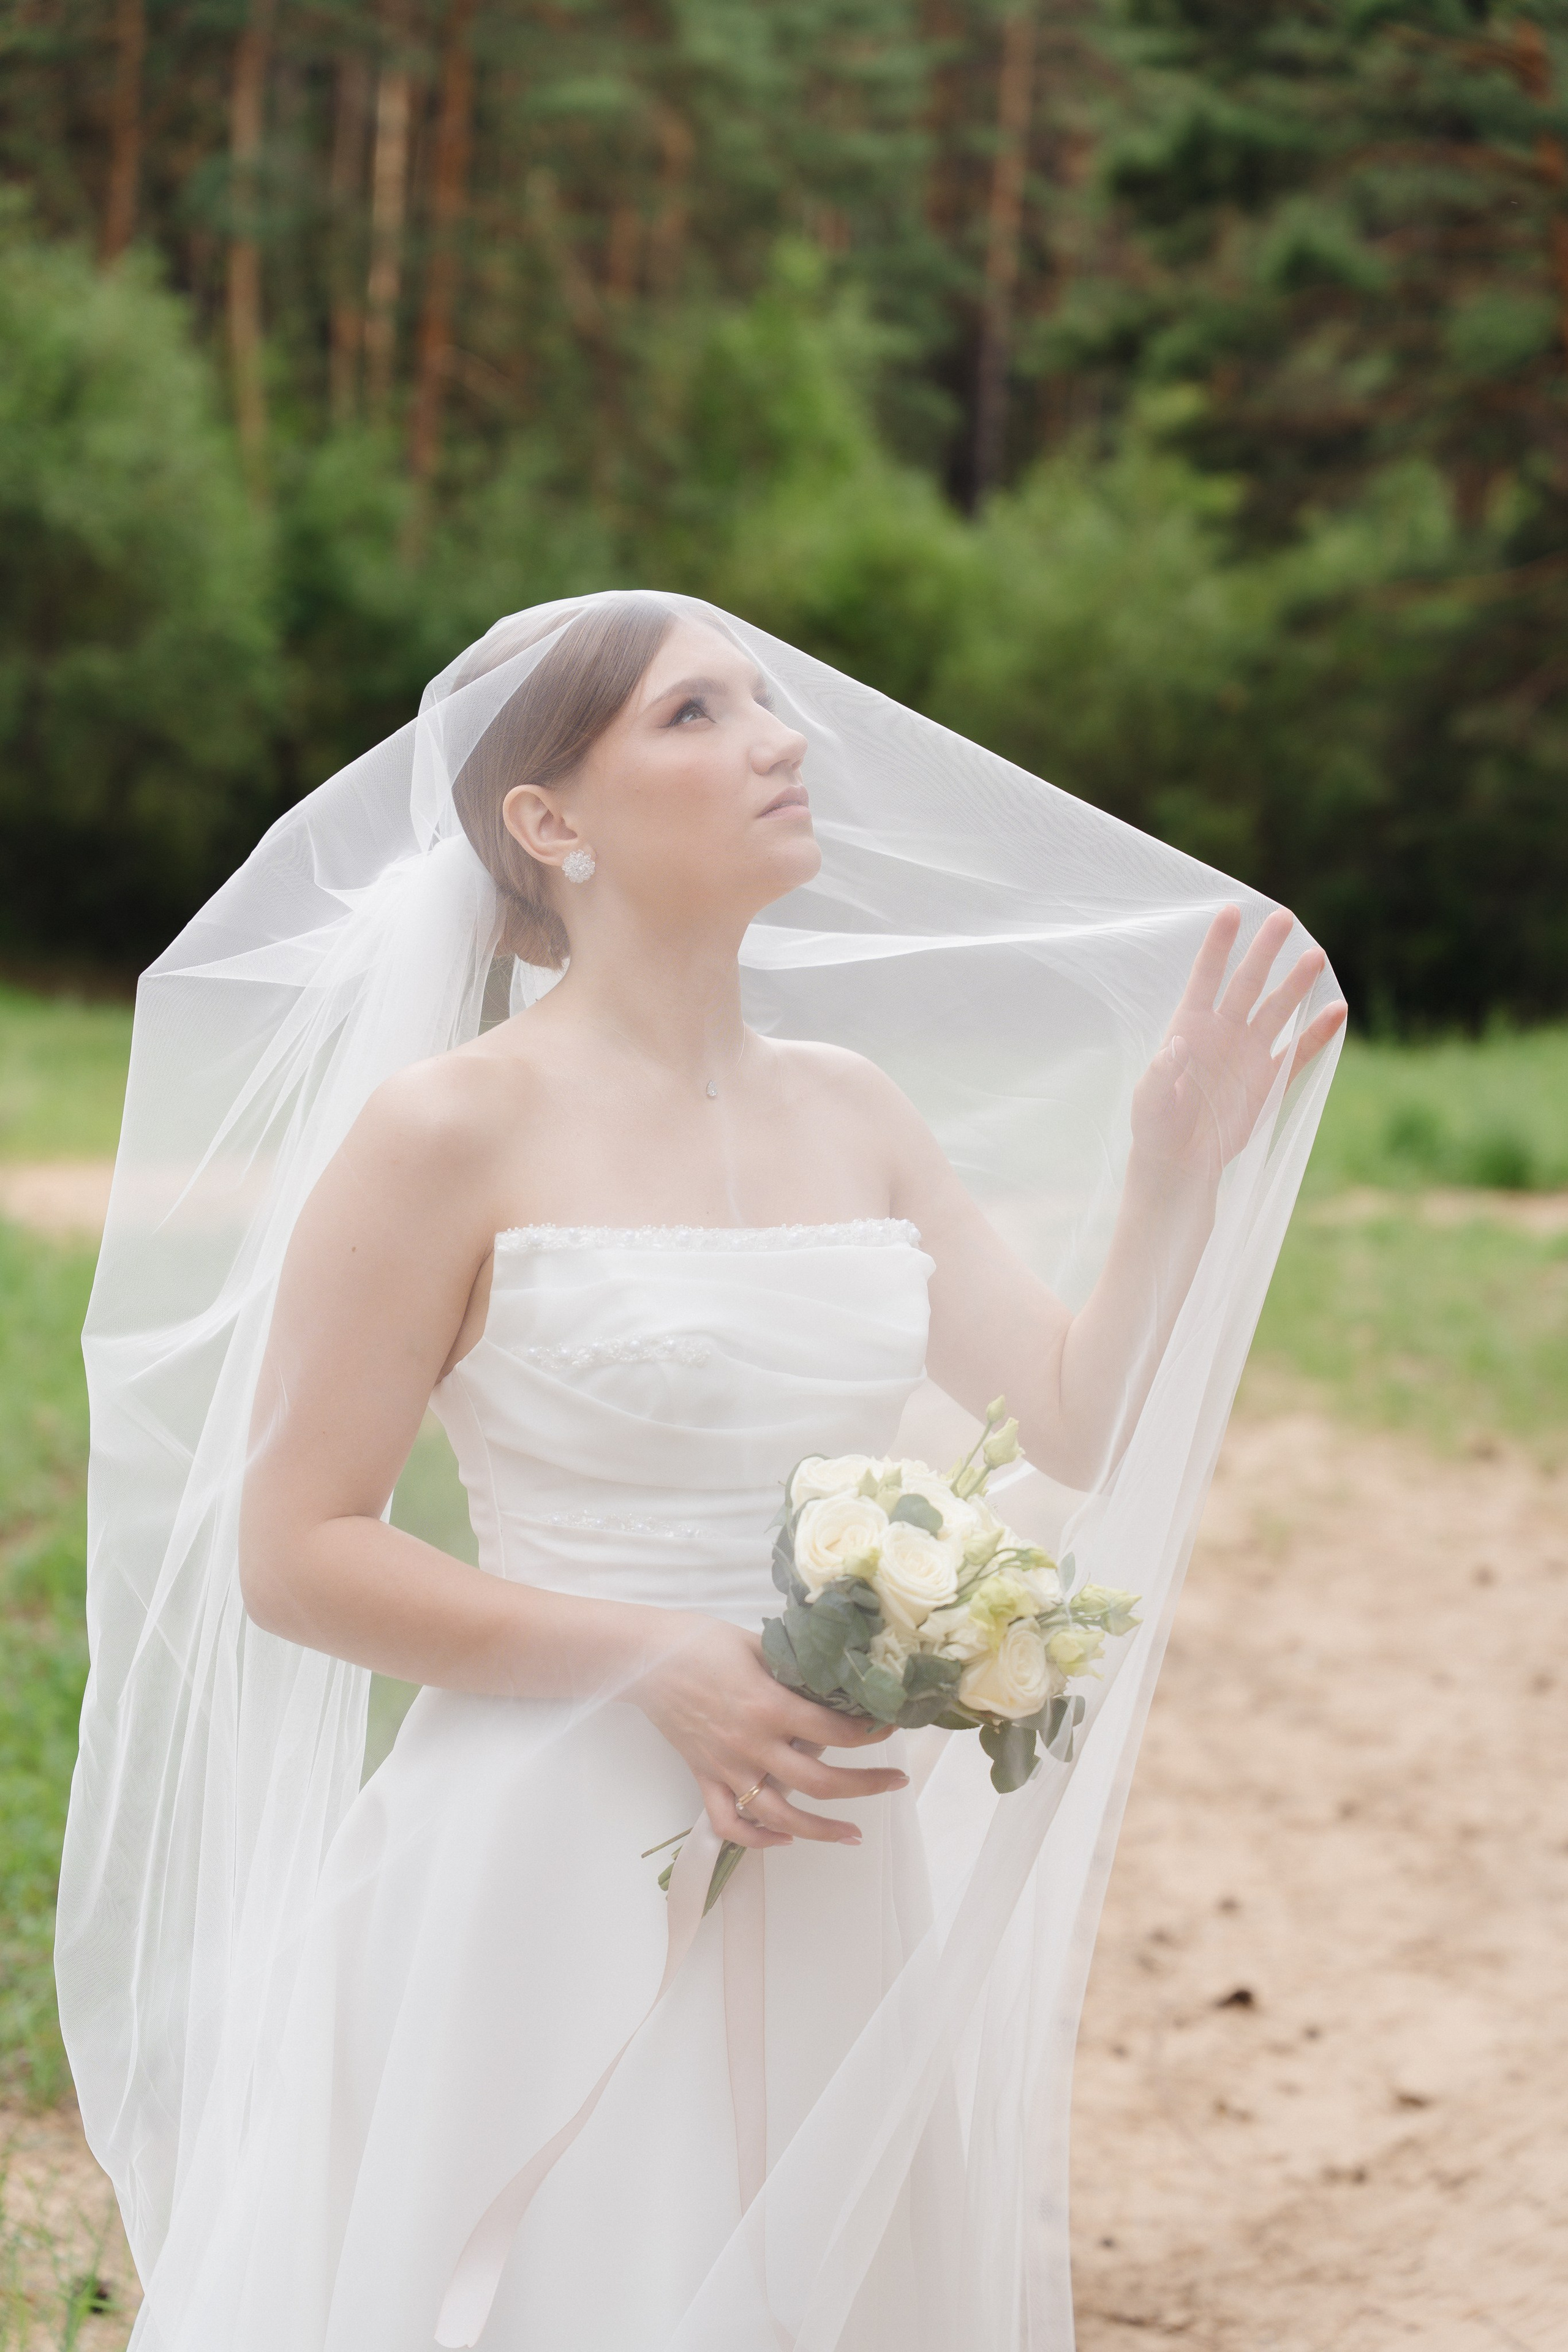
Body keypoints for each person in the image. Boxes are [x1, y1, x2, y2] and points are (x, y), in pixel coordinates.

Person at [58, 593, 1344, 2351]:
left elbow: (1069, 1412)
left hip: (820, 1848)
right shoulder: (449, 1130)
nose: (779, 739)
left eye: (766, 704)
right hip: (544, 1836)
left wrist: (1170, 1174)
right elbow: (293, 1552)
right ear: (549, 822)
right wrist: (654, 1658)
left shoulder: (855, 1106)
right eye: (695, 715)